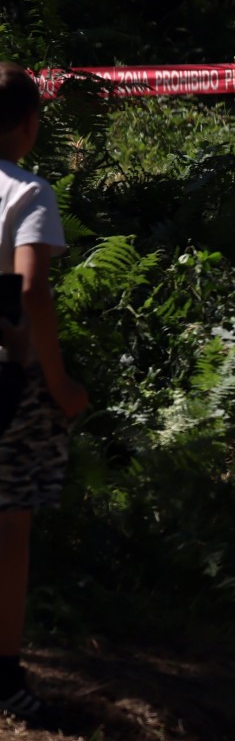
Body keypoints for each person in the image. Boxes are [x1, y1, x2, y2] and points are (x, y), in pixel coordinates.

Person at [0, 63, 85, 724]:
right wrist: (57, 382)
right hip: (9, 384)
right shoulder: (27, 194)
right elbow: (31, 292)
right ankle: (5, 678)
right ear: (28, 127)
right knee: (10, 528)